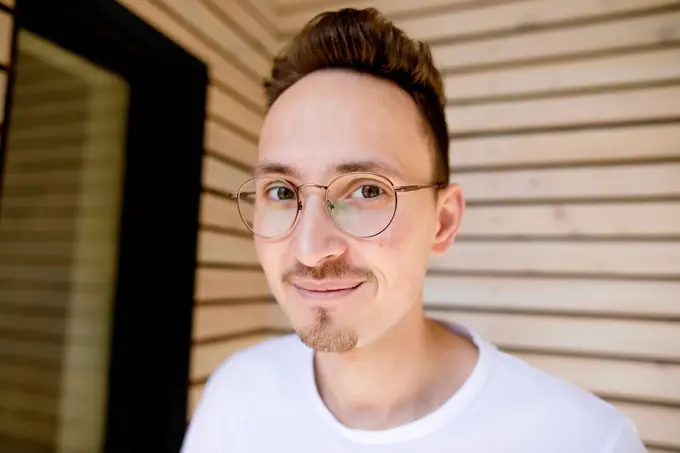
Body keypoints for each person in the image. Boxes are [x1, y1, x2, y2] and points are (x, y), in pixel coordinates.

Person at [181, 8, 646, 452]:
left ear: (442, 222)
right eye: (282, 192)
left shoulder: (584, 442)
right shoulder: (235, 396)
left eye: (366, 191)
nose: (310, 249)